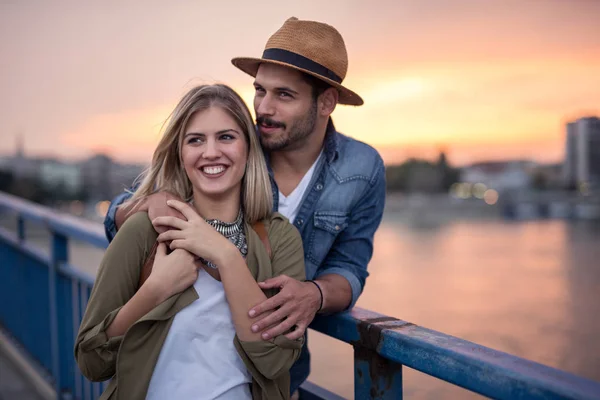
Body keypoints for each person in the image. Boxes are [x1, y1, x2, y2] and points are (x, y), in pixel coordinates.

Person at [103, 17, 386, 397]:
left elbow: (350, 267)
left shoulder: (362, 168)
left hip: (271, 367)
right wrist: (145, 203)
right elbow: (124, 215)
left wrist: (315, 294)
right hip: (176, 366)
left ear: (327, 102)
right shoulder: (230, 144)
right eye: (259, 90)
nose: (263, 108)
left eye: (284, 95)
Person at [75, 84, 306, 400]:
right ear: (180, 153)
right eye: (195, 140)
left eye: (226, 137)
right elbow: (91, 360)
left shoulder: (280, 238)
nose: (211, 152)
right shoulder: (145, 229)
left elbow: (275, 359)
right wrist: (155, 289)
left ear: (248, 149)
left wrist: (225, 255)